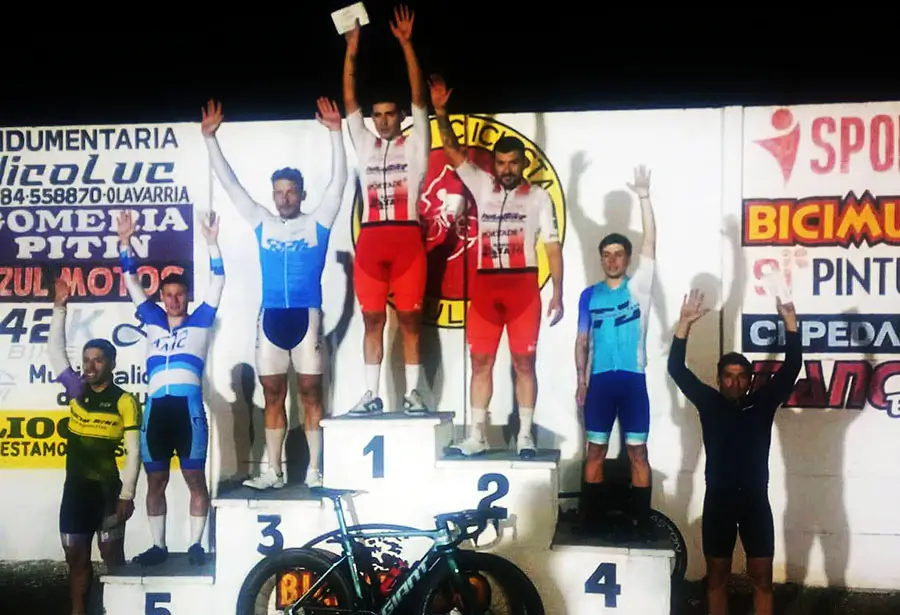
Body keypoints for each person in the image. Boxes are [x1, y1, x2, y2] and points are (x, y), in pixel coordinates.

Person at [200, 97, 348, 490]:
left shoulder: (318, 221)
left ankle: (315, 470)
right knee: (272, 394)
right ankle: (274, 471)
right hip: (271, 320)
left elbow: (339, 183)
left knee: (311, 393)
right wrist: (210, 139)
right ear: (274, 195)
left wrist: (336, 133)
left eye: (291, 192)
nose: (284, 198)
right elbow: (231, 186)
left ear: (301, 194)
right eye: (279, 192)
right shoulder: (262, 221)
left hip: (306, 316)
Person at [428, 74, 564, 459]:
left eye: (512, 163)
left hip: (522, 288)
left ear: (523, 164)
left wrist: (558, 292)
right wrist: (441, 111)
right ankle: (478, 435)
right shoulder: (482, 185)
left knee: (524, 363)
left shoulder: (539, 198)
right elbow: (451, 150)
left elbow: (552, 247)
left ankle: (525, 435)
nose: (506, 169)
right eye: (501, 163)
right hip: (485, 288)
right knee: (480, 362)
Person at [668, 289, 801, 615]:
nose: (735, 382)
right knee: (716, 579)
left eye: (741, 377)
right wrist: (684, 324)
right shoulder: (709, 403)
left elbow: (791, 367)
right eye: (728, 377)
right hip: (719, 502)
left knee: (763, 579)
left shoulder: (763, 403)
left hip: (755, 502)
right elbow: (677, 369)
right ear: (719, 379)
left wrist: (790, 322)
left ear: (750, 380)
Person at [117, 210, 224, 566]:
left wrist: (212, 243)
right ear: (161, 296)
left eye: (179, 294)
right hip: (157, 411)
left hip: (187, 410)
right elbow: (131, 279)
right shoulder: (151, 319)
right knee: (156, 481)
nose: (174, 300)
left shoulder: (202, 320)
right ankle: (158, 547)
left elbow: (219, 280)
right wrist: (125, 241)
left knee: (194, 478)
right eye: (168, 294)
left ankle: (195, 545)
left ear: (187, 297)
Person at [342, 5, 431, 416]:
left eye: (388, 114)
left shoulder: (415, 145)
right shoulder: (364, 144)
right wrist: (351, 50)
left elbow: (419, 97)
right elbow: (349, 100)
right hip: (372, 241)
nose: (381, 121)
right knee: (372, 321)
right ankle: (370, 394)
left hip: (407, 238)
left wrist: (407, 45)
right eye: (376, 115)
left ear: (400, 116)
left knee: (410, 322)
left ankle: (413, 394)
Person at [573, 166, 657, 537]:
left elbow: (651, 243)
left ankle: (642, 521)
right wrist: (581, 381)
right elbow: (582, 341)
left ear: (627, 258)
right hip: (600, 383)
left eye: (618, 254)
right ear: (601, 258)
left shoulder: (639, 288)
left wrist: (644, 198)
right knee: (595, 451)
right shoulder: (588, 296)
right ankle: (590, 520)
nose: (612, 260)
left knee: (638, 453)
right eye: (606, 255)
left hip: (633, 381)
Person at [49, 278, 141, 615]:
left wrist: (127, 495)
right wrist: (60, 307)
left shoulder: (125, 401)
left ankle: (121, 609)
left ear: (112, 364)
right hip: (75, 492)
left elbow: (134, 452)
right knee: (75, 557)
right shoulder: (76, 389)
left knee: (112, 556)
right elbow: (54, 352)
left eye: (98, 360)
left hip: (107, 493)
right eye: (86, 359)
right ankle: (78, 611)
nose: (90, 366)